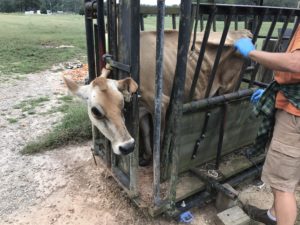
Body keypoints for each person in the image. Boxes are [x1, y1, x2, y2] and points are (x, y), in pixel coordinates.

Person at [234, 25, 300, 225]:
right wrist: (279, 91)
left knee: (282, 186)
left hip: (295, 115)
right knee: (290, 174)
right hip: (292, 102)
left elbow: (296, 63)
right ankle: (273, 215)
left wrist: (252, 52)